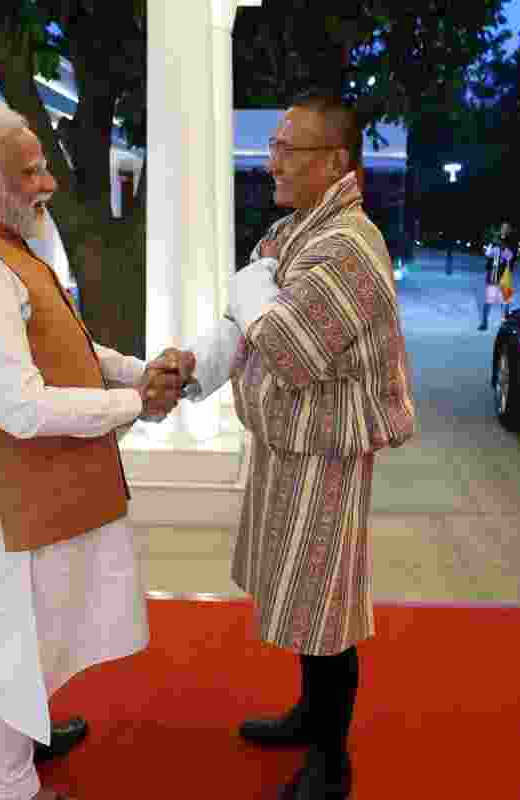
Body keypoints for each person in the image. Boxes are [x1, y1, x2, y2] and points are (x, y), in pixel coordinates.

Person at [0, 103, 191, 800]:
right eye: (29, 171)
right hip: (1, 504)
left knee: (39, 631)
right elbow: (22, 404)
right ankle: (13, 785)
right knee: (6, 648)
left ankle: (28, 734)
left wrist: (131, 370)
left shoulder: (4, 238)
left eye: (43, 167)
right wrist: (139, 404)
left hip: (38, 490)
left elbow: (64, 341)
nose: (47, 184)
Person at [169, 90, 417, 800]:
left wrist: (253, 289)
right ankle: (312, 715)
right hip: (289, 448)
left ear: (335, 161)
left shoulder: (348, 246)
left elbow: (285, 344)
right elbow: (241, 322)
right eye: (273, 145)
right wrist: (189, 367)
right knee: (305, 597)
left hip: (327, 455)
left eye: (287, 149)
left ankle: (333, 761)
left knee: (327, 608)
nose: (270, 160)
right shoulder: (296, 231)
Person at [479, 227, 514, 330]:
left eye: (501, 241)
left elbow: (509, 257)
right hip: (492, 280)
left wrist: (502, 247)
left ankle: (506, 323)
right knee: (488, 302)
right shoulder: (494, 249)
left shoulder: (507, 251)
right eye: (499, 241)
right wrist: (491, 242)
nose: (500, 242)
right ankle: (484, 323)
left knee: (506, 302)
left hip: (504, 281)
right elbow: (487, 253)